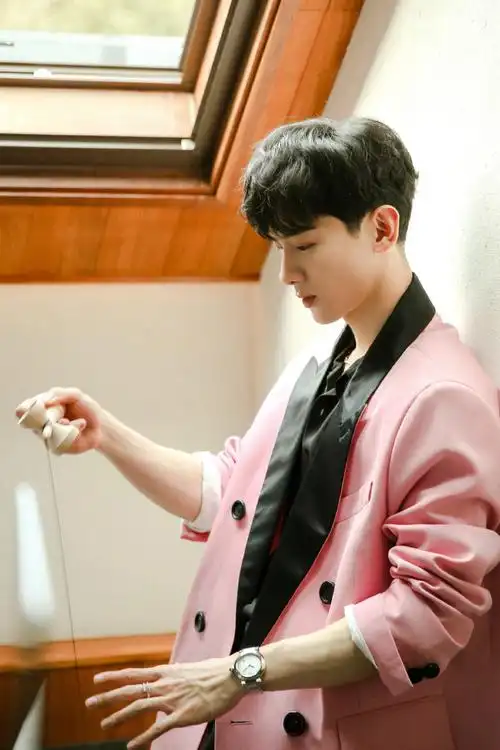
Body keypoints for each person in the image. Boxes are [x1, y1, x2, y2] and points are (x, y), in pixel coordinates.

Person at [16, 117, 500, 750]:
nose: (286, 274)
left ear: (382, 228)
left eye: (304, 245)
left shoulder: (444, 396)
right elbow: (232, 496)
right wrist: (106, 435)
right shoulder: (315, 364)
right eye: (278, 248)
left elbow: (426, 616)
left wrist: (240, 672)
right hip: (234, 713)